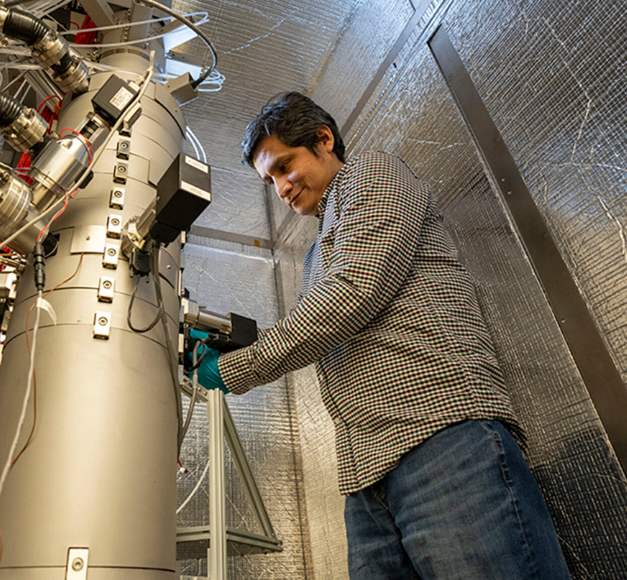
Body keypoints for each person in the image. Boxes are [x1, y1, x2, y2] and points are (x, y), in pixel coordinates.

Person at [188, 92, 572, 579]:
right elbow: (323, 324)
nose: (281, 188)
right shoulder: (313, 257)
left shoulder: (373, 175)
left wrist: (237, 367)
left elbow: (353, 295)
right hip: (366, 479)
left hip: (441, 442)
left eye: (285, 167)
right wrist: (236, 346)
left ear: (324, 140)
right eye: (270, 181)